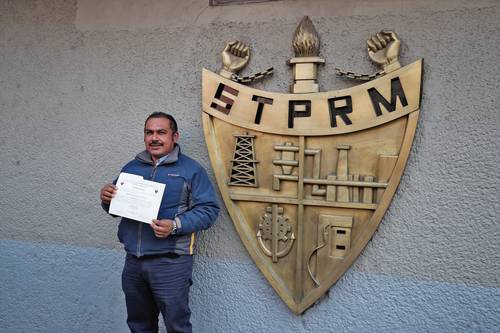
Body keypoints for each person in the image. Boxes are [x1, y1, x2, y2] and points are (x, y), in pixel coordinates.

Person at [100, 112, 219, 333]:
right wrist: (106, 199)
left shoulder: (191, 170)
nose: (154, 138)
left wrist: (174, 225)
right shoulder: (131, 168)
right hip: (133, 262)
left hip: (171, 262)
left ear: (175, 136)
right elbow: (115, 209)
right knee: (139, 326)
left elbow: (209, 210)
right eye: (149, 132)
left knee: (177, 326)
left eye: (161, 132)